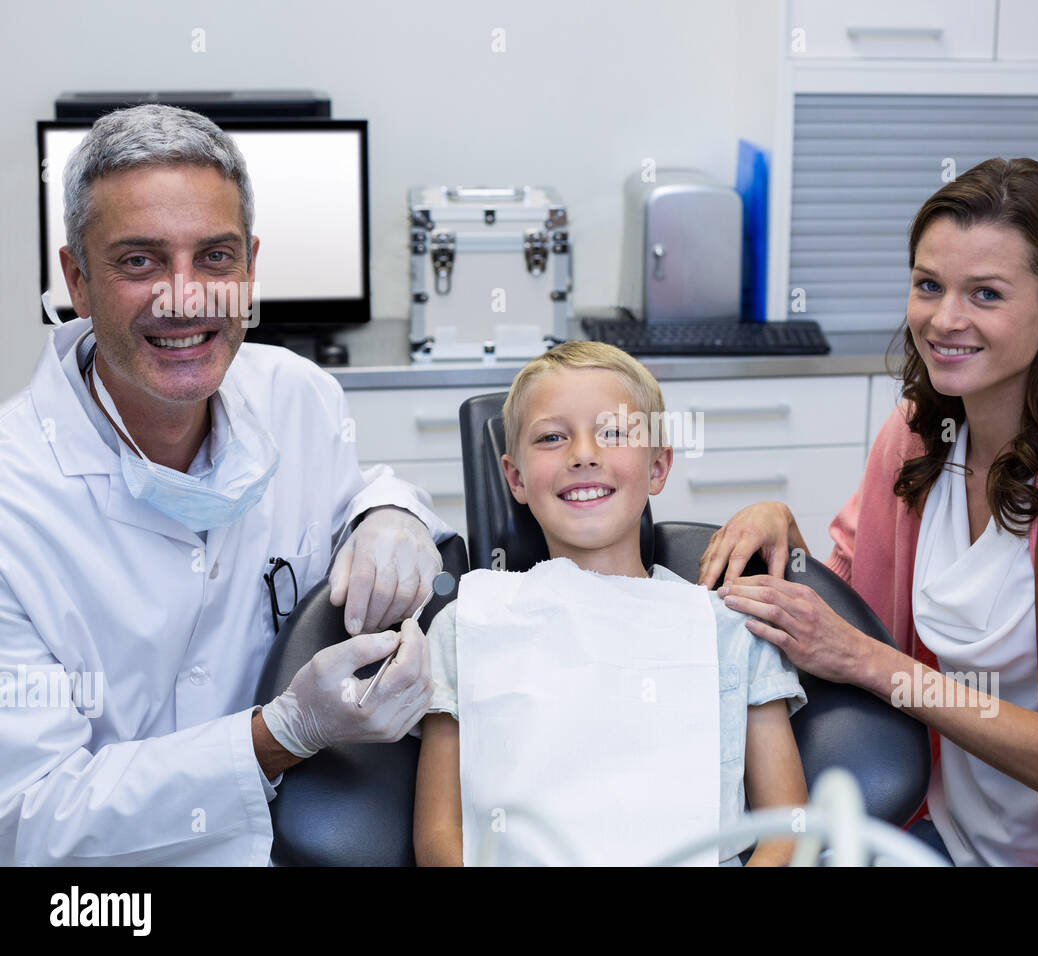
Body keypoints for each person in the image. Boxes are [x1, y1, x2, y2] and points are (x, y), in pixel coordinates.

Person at [699, 158, 1038, 867]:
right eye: (928, 285)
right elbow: (852, 616)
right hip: (940, 830)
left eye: (986, 294)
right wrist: (783, 530)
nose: (944, 319)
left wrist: (874, 665)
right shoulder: (919, 435)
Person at [0, 104, 454, 865]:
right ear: (77, 279)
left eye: (214, 258)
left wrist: (391, 512)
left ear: (248, 267)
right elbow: (28, 819)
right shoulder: (16, 499)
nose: (186, 298)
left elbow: (354, 491)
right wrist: (279, 736)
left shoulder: (297, 396)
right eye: (139, 262)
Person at [413, 342, 808, 866]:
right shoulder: (467, 627)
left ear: (658, 466)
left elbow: (789, 830)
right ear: (515, 478)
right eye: (552, 437)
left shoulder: (729, 628)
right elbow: (440, 836)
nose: (582, 453)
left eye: (614, 433)